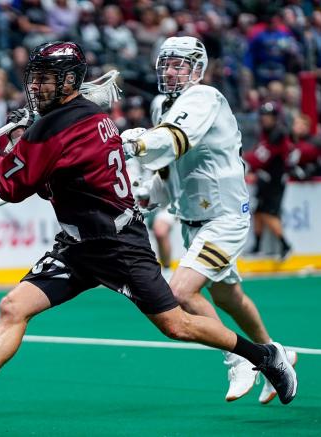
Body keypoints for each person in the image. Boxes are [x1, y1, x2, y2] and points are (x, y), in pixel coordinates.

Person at [0, 41, 297, 420]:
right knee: (13, 306)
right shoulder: (84, 116)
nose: (36, 86)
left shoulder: (52, 129)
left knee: (176, 324)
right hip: (76, 245)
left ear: (69, 82)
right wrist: (22, 142)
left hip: (117, 245)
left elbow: (11, 187)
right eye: (35, 78)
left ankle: (265, 356)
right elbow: (44, 166)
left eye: (47, 79)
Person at [122, 37, 297, 404]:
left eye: (180, 64)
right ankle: (274, 355)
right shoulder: (161, 105)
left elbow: (173, 141)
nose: (170, 70)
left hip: (224, 217)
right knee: (229, 297)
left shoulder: (204, 98)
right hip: (192, 220)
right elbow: (169, 171)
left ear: (197, 70)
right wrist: (146, 196)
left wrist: (137, 144)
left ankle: (238, 358)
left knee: (179, 293)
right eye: (166, 63)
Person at [244, 102, 293, 260]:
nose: (265, 119)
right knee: (258, 212)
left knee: (267, 213)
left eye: (269, 116)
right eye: (263, 116)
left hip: (274, 182)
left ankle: (285, 245)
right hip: (265, 180)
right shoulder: (266, 133)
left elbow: (262, 157)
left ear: (275, 118)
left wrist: (246, 159)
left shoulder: (277, 134)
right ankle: (258, 246)